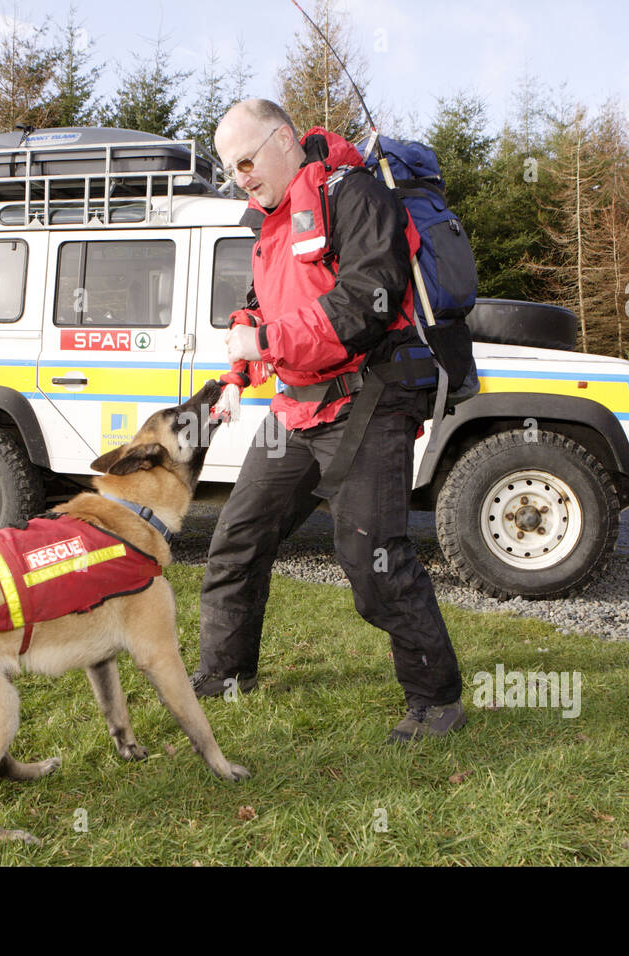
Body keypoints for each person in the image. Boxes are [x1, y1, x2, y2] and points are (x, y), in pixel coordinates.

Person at [192, 98, 466, 742]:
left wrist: (268, 344)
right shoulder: (272, 223)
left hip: (368, 401)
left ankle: (437, 700)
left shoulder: (356, 195)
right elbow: (256, 308)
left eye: (248, 160)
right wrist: (240, 372)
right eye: (231, 168)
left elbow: (367, 302)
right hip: (295, 405)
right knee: (237, 538)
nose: (241, 176)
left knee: (372, 559)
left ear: (284, 139)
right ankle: (223, 675)